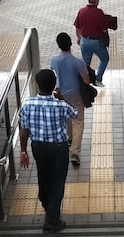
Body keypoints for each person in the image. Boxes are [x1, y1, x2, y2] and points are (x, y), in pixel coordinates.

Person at [19, 69, 78, 233]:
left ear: (38, 85)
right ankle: (52, 220)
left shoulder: (28, 104)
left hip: (38, 146)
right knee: (58, 182)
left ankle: (46, 202)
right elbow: (75, 113)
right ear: (54, 86)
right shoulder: (60, 105)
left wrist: (23, 151)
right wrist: (62, 97)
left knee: (43, 176)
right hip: (58, 148)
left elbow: (25, 129)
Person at [50, 32, 91, 166]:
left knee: (67, 117)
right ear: (71, 44)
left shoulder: (53, 60)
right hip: (76, 95)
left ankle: (70, 137)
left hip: (60, 94)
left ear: (58, 45)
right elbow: (86, 80)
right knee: (78, 121)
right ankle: (75, 152)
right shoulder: (78, 62)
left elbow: (53, 73)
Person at [74, 0, 112, 87]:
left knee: (85, 63)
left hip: (84, 41)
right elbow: (104, 30)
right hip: (96, 42)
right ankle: (97, 79)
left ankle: (84, 82)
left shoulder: (81, 11)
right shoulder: (99, 13)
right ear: (97, 1)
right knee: (104, 59)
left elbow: (77, 27)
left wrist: (79, 38)